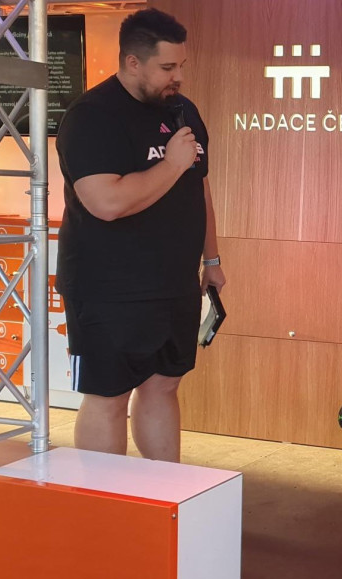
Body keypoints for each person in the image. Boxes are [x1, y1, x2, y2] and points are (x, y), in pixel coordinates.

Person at [56, 8, 223, 463]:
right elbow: (106, 202)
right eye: (167, 67)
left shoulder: (183, 110)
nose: (178, 77)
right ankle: (104, 499)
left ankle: (162, 492)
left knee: (164, 385)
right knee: (108, 394)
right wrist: (170, 164)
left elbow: (199, 186)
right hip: (108, 288)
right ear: (133, 62)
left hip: (174, 282)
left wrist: (211, 260)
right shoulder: (92, 116)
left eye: (181, 65)